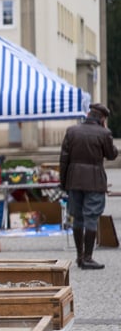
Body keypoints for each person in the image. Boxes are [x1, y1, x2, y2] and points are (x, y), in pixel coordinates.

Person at [60, 102, 119, 269]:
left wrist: (64, 183)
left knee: (77, 217)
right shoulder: (104, 133)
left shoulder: (72, 131)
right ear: (102, 118)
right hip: (94, 181)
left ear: (88, 114)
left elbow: (64, 159)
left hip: (74, 180)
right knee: (91, 217)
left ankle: (79, 256)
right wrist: (107, 132)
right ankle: (88, 257)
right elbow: (111, 154)